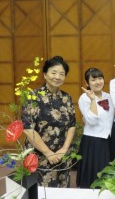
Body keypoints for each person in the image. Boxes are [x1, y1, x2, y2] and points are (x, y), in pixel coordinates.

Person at [22, 56, 76, 187]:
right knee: (40, 192)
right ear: (45, 74)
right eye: (53, 72)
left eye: (62, 74)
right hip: (40, 157)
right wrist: (48, 153)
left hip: (62, 156)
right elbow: (28, 128)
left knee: (62, 192)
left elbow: (72, 125)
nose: (57, 77)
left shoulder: (66, 97)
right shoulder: (33, 97)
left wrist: (64, 149)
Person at [76, 68, 114, 188]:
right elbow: (92, 120)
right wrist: (93, 100)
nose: (98, 82)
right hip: (93, 142)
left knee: (107, 177)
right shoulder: (84, 98)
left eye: (100, 78)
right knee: (92, 178)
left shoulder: (109, 96)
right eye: (93, 79)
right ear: (87, 83)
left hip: (108, 141)